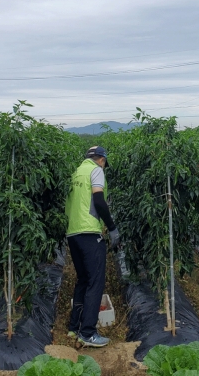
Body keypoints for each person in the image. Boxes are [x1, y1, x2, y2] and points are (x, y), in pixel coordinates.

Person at [65, 146, 119, 348]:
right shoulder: (96, 171)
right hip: (89, 233)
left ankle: (74, 328)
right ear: (102, 160)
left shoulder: (76, 172)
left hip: (73, 233)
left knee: (83, 280)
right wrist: (112, 228)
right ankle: (88, 332)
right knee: (95, 282)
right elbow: (99, 200)